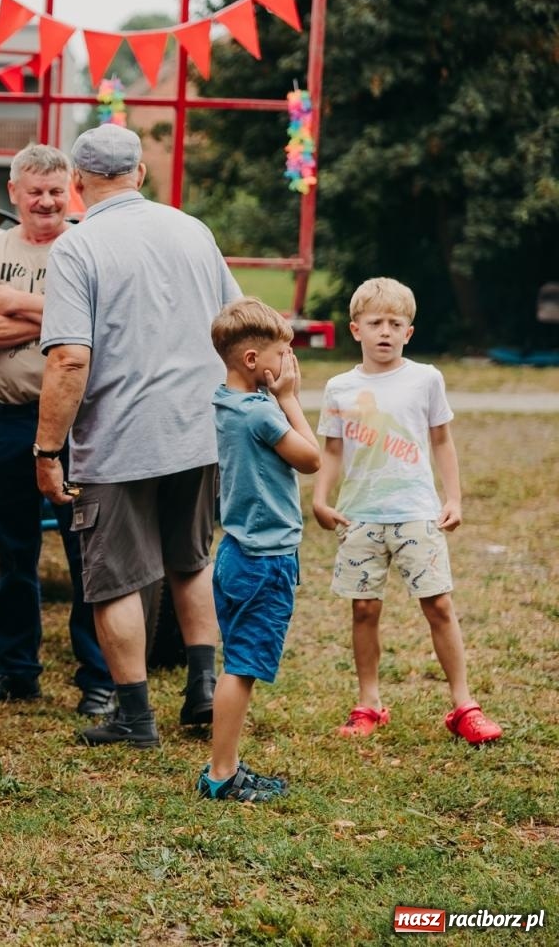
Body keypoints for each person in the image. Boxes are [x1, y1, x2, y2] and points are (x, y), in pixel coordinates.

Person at [35, 124, 241, 748]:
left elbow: (70, 358)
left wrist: (47, 450)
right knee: (190, 559)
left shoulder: (78, 246)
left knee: (116, 578)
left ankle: (134, 716)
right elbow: (235, 325)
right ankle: (203, 688)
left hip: (121, 436)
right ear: (141, 174)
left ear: (75, 183)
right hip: (199, 427)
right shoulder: (193, 230)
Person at [312, 277, 502, 745]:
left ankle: (463, 706)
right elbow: (332, 451)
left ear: (409, 333)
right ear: (356, 329)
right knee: (364, 610)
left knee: (438, 604)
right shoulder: (340, 387)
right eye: (375, 322)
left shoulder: (425, 379)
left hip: (417, 513)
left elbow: (442, 440)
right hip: (360, 517)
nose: (385, 331)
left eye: (396, 324)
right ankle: (369, 704)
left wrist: (453, 497)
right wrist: (320, 499)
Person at [0, 145, 115, 715]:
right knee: (14, 550)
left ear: (69, 191)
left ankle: (98, 677)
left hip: (78, 422)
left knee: (86, 550)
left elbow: (96, 328)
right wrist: (54, 315)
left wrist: (19, 302)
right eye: (36, 191)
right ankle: (17, 667)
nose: (47, 202)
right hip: (7, 418)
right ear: (14, 193)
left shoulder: (87, 245)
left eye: (56, 191)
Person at [199, 297, 321, 802]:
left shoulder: (226, 402)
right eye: (282, 354)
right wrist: (289, 397)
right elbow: (311, 458)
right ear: (252, 361)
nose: (287, 364)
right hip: (263, 559)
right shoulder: (261, 415)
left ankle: (224, 765)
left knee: (238, 662)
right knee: (242, 669)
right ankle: (221, 774)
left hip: (235, 553)